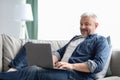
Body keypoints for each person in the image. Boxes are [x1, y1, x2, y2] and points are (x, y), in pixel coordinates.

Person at [0, 12, 110, 80]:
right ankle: (13, 71)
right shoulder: (76, 38)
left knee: (33, 71)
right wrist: (51, 60)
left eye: (87, 24)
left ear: (96, 25)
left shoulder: (101, 41)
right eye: (81, 24)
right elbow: (60, 52)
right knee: (29, 46)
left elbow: (98, 65)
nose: (82, 27)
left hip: (75, 75)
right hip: (59, 68)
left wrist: (71, 66)